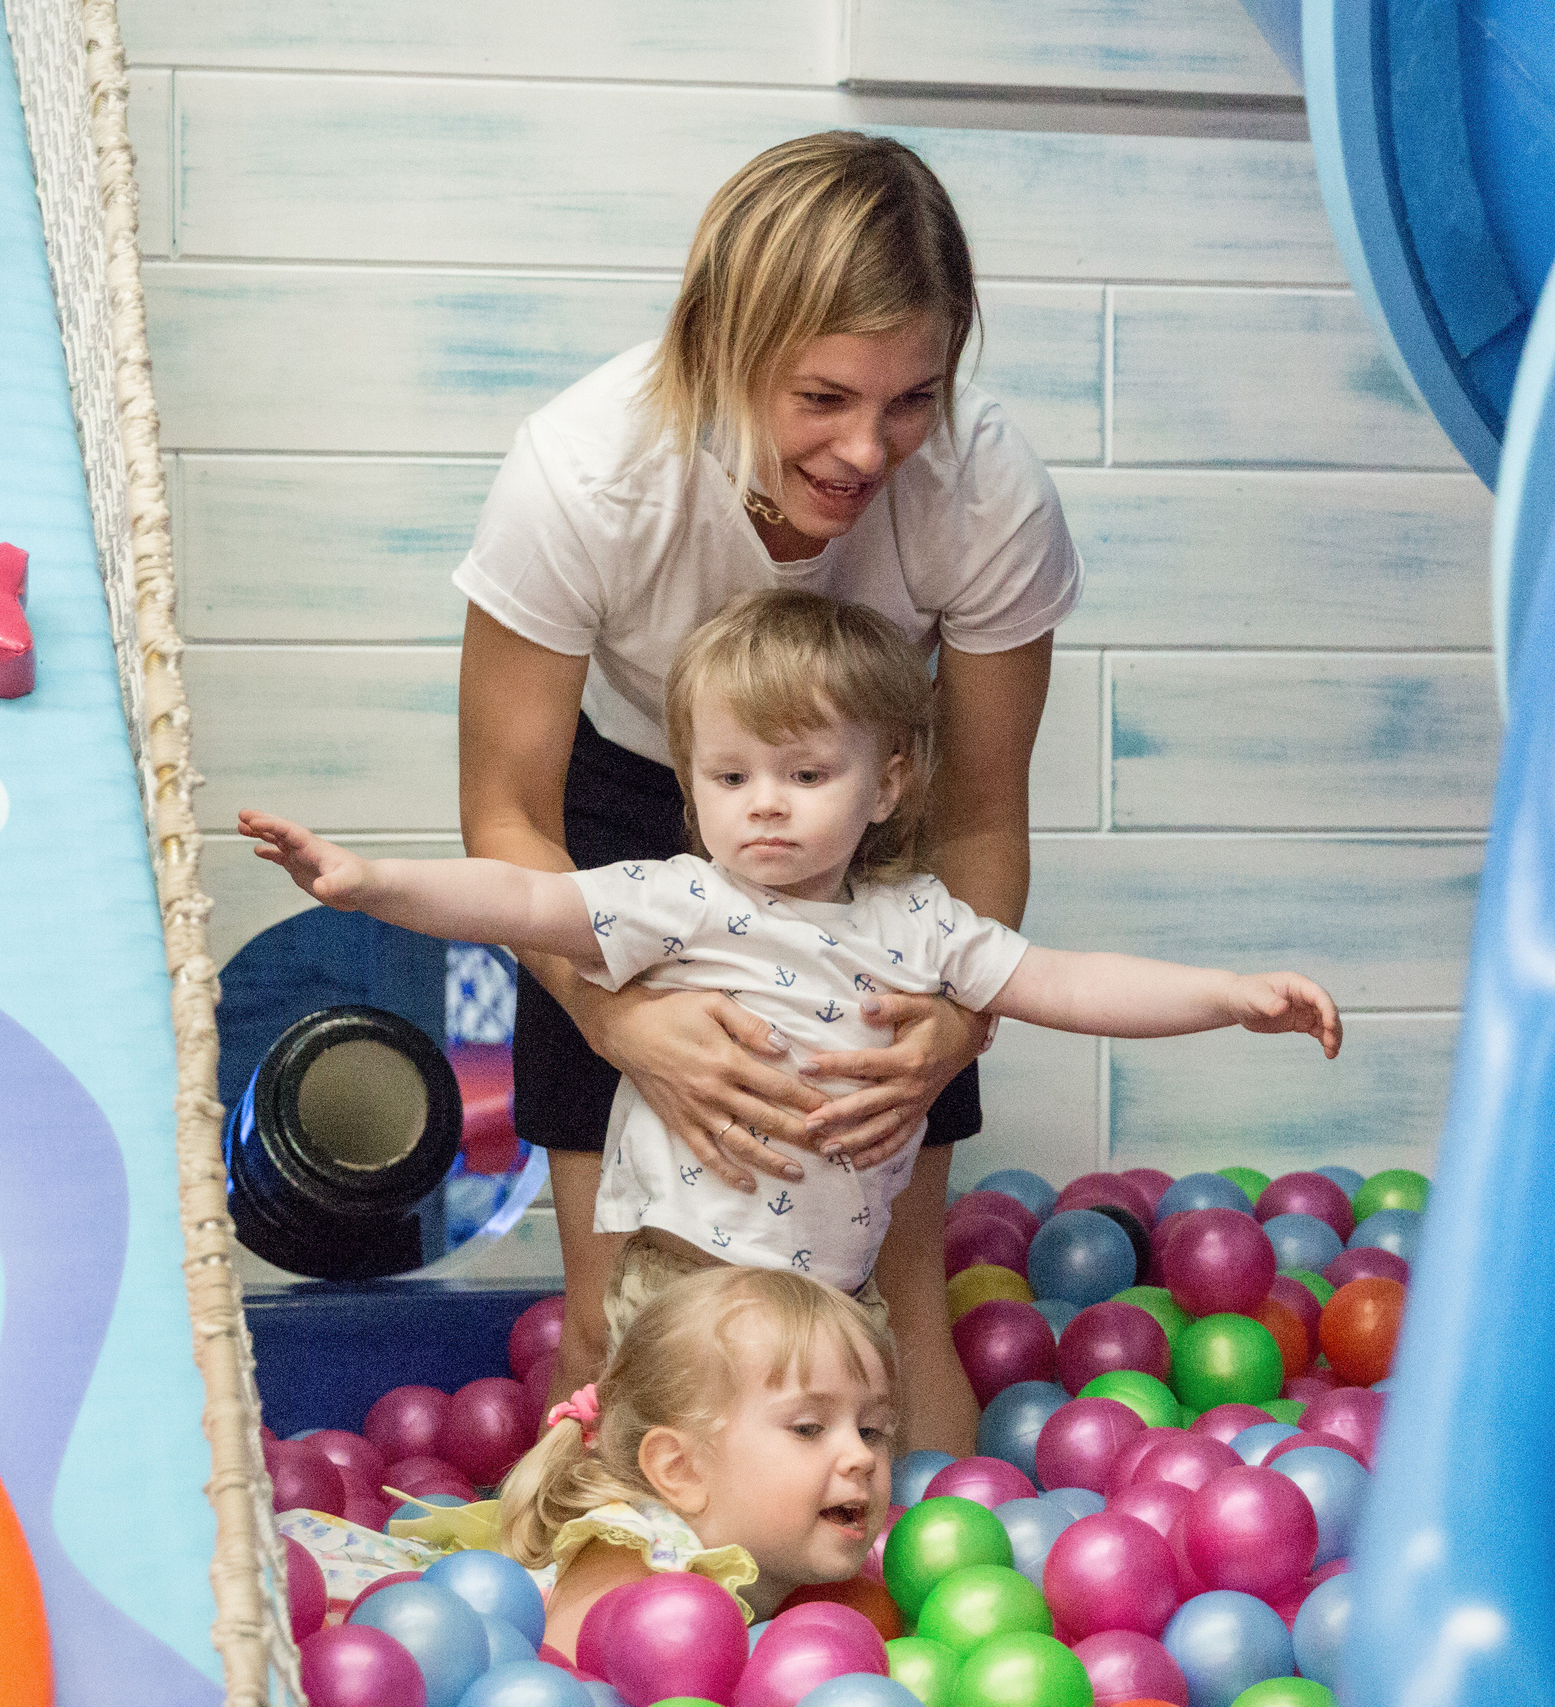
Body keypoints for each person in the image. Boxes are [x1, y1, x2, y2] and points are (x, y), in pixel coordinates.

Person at [241, 591, 1344, 1378]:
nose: (763, 803)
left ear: (887, 782)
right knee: (663, 1488)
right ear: (690, 783)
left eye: (806, 774)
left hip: (832, 1295)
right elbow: (520, 902)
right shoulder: (677, 901)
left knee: (816, 1485)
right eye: (730, 776)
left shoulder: (919, 922)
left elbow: (1066, 981)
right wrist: (368, 882)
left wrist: (1224, 996)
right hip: (683, 1284)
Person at [444, 129, 1082, 1453]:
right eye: (823, 397)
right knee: (630, 1311)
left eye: (912, 398)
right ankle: (623, 1623)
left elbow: (976, 812)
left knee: (883, 1305)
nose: (868, 449)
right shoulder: (583, 472)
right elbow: (508, 815)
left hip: (862, 813)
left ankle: (906, 1625)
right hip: (619, 812)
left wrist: (952, 1022)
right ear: (719, 346)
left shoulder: (986, 490)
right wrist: (617, 1014)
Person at [275, 1265, 896, 1655]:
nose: (860, 1456)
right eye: (809, 1427)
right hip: (348, 1617)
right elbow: (556, 1681)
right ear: (680, 1471)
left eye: (872, 1429)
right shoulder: (637, 1555)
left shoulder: (806, 1567)